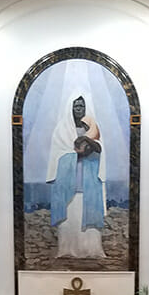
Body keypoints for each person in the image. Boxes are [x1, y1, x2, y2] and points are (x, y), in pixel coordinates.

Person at [46, 91, 107, 258]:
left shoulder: (93, 128)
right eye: (76, 106)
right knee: (70, 215)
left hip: (89, 179)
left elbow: (100, 149)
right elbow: (59, 151)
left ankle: (91, 250)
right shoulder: (62, 128)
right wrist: (77, 153)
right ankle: (66, 250)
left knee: (88, 213)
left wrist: (89, 144)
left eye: (82, 106)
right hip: (67, 180)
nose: (79, 109)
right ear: (70, 108)